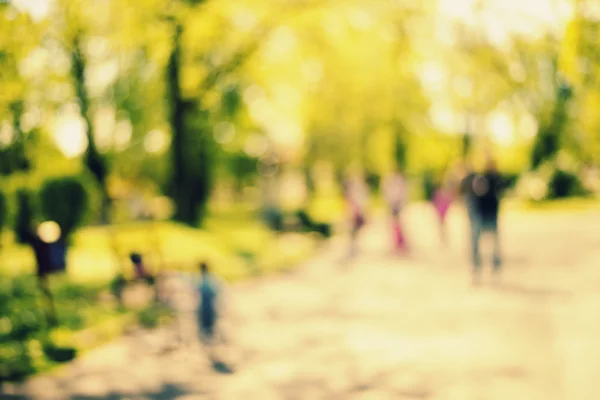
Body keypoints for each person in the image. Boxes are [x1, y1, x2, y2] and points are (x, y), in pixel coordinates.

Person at [461, 159, 504, 284]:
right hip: (480, 216)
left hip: (490, 215)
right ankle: (477, 267)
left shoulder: (494, 179)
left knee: (493, 244)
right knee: (477, 243)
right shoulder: (473, 180)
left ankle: (494, 266)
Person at [382, 168, 408, 253]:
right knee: (395, 223)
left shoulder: (397, 181)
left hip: (396, 202)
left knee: (397, 223)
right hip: (393, 203)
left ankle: (399, 242)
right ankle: (397, 242)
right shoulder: (390, 181)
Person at [343, 174, 369, 258]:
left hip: (355, 213)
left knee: (354, 231)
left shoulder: (357, 192)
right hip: (353, 213)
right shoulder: (350, 194)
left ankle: (353, 246)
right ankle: (352, 247)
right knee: (353, 231)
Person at [432, 177, 455, 247]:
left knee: (443, 226)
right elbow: (435, 202)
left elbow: (449, 202)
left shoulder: (446, 193)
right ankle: (443, 238)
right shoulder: (439, 193)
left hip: (443, 212)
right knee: (441, 226)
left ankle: (444, 238)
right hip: (440, 212)